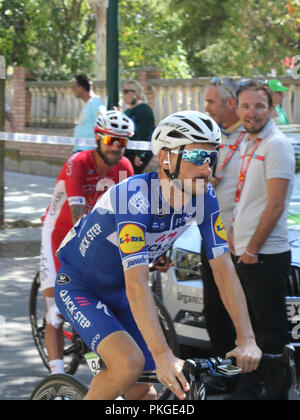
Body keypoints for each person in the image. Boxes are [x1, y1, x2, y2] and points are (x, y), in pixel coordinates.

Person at [54, 110, 261, 401]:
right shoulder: (134, 198)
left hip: (123, 294)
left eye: (212, 158)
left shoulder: (204, 197)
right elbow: (138, 284)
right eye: (197, 158)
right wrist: (163, 355)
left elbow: (224, 269)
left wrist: (247, 339)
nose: (207, 169)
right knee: (128, 365)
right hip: (81, 288)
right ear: (166, 158)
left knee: (144, 392)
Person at [40, 110, 134, 374]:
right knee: (55, 311)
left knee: (96, 303)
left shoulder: (124, 167)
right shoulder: (78, 162)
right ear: (97, 138)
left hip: (93, 238)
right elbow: (77, 215)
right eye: (110, 140)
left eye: (122, 142)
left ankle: (100, 369)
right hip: (59, 232)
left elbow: (129, 213)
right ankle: (57, 378)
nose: (116, 147)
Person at [227, 80, 295, 400]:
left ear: (271, 108)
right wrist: (232, 236)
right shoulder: (247, 142)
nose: (251, 113)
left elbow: (276, 204)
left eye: (258, 106)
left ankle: (277, 393)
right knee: (249, 329)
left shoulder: (276, 144)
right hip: (244, 251)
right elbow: (245, 198)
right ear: (236, 108)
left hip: (264, 255)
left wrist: (252, 249)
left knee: (270, 334)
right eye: (245, 106)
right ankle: (250, 386)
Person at [202, 77, 246, 357]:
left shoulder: (253, 138)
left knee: (243, 309)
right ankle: (223, 371)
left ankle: (253, 377)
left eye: (210, 101)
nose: (206, 108)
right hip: (211, 233)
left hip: (242, 238)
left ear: (231, 103)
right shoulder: (209, 135)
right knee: (215, 308)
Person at [122, 79, 155, 174]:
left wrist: (139, 154)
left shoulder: (143, 109)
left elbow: (144, 132)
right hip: (128, 151)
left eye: (126, 91)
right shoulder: (129, 110)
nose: (123, 94)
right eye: (123, 91)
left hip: (136, 153)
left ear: (135, 93)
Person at [73, 74, 106, 152]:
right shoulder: (89, 104)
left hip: (88, 152)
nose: (73, 90)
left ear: (81, 88)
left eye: (75, 87)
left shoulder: (95, 103)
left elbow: (104, 125)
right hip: (80, 150)